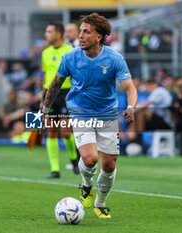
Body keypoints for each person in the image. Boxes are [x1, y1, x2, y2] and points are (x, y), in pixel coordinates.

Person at [42, 13, 137, 218]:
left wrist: (131, 107)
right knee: (91, 158)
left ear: (99, 36)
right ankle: (86, 185)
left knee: (109, 165)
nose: (81, 36)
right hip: (80, 113)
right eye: (80, 31)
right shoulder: (70, 57)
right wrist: (45, 109)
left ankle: (100, 203)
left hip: (108, 115)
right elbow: (55, 84)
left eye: (86, 32)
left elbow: (130, 88)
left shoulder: (114, 58)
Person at [41, 21, 78, 178]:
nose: (46, 34)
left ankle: (74, 158)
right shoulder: (45, 53)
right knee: (51, 131)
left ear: (58, 34)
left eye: (49, 31)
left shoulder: (70, 52)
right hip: (50, 94)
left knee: (65, 131)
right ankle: (55, 169)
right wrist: (43, 99)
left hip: (65, 93)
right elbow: (46, 75)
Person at [127, 78, 172, 151]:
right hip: (157, 121)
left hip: (165, 122)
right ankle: (134, 140)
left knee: (141, 113)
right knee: (135, 118)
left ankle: (138, 139)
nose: (147, 89)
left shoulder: (159, 91)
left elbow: (145, 105)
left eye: (147, 86)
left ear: (153, 85)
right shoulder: (156, 93)